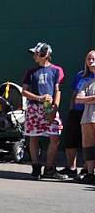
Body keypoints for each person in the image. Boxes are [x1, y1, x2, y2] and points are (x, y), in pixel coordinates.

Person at [21, 42, 68, 180]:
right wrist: (39, 98)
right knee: (33, 137)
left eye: (37, 53)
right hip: (34, 107)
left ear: (45, 55)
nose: (34, 56)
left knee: (55, 137)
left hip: (49, 106)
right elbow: (24, 91)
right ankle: (35, 168)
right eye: (34, 53)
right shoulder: (30, 72)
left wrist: (54, 108)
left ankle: (49, 169)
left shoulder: (56, 70)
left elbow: (57, 90)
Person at [60, 50, 95, 178]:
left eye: (93, 58)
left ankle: (87, 169)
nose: (90, 61)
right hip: (77, 111)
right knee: (71, 140)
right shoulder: (81, 75)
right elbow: (76, 95)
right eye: (88, 58)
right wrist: (72, 107)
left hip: (91, 113)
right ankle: (71, 168)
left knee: (88, 142)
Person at [75, 58, 95, 184]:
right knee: (88, 146)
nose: (91, 61)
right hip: (87, 118)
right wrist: (93, 98)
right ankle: (90, 173)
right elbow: (78, 99)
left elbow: (83, 99)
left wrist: (87, 99)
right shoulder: (85, 81)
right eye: (89, 59)